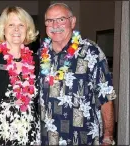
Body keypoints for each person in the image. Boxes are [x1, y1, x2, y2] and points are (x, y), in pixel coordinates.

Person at [38, 3, 116, 145]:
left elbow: (106, 98)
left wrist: (108, 138)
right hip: (47, 139)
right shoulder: (40, 55)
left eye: (61, 19)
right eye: (50, 21)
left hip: (83, 139)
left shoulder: (91, 52)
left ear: (72, 21)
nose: (55, 25)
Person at [0, 6, 40, 145]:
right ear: (3, 29)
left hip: (29, 132)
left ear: (27, 30)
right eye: (11, 25)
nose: (16, 29)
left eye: (21, 25)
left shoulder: (35, 61)